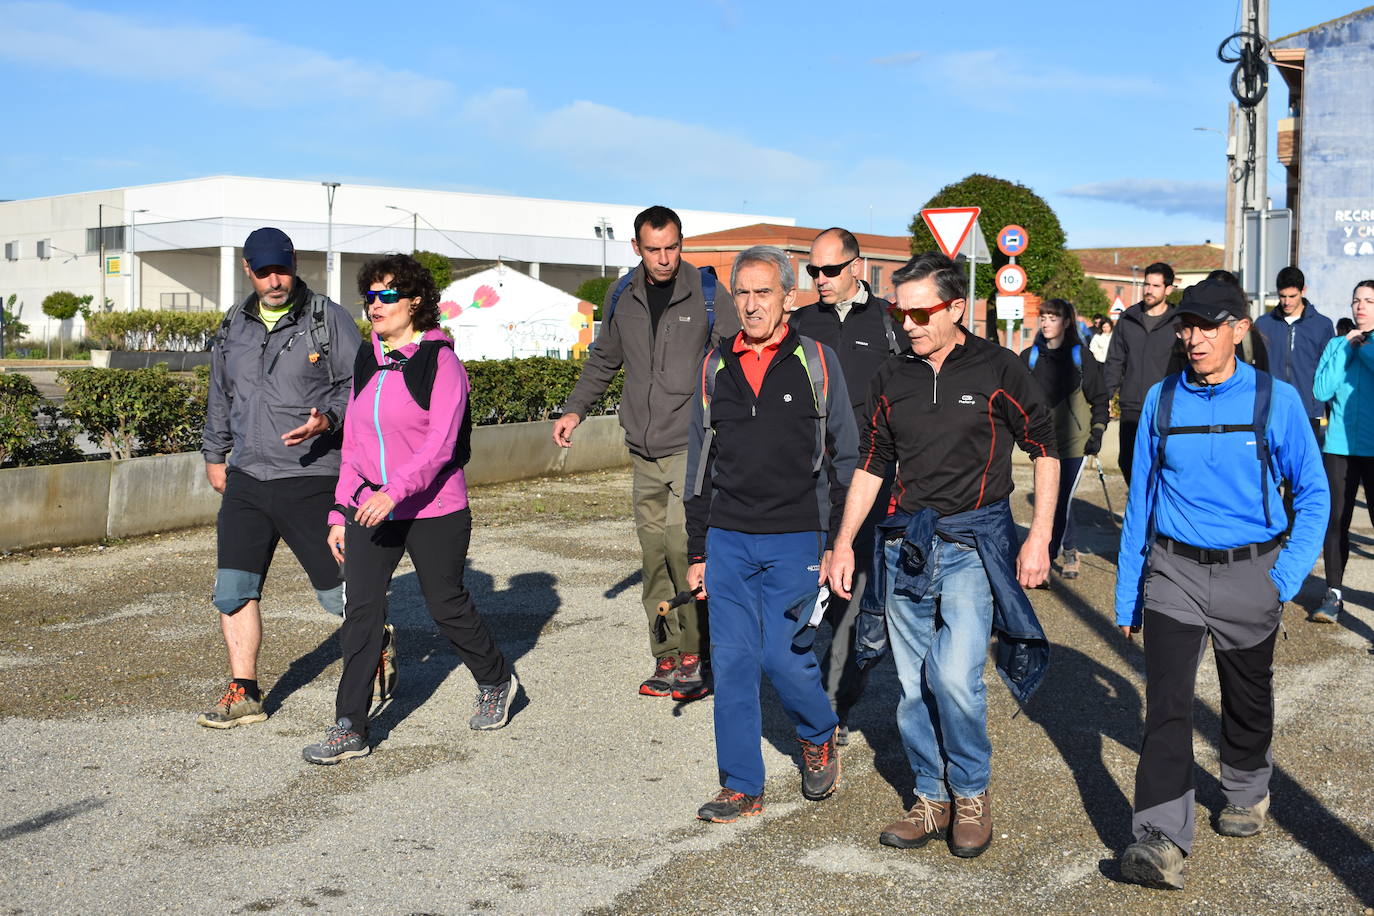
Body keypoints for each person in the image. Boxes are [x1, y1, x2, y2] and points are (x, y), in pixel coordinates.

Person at [828, 251, 1058, 859]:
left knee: (954, 677)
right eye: (902, 312)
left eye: (922, 312)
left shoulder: (999, 368)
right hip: (905, 547)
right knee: (910, 686)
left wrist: (1039, 536)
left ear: (956, 308)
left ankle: (972, 793)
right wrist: (845, 542)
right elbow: (873, 464)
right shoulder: (891, 376)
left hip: (974, 546)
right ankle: (930, 799)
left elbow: (1045, 445)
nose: (908, 324)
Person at [1113, 276, 1326, 891]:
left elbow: (1313, 494)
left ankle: (1245, 786)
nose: (1194, 337)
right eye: (1187, 325)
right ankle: (1158, 838)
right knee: (1168, 704)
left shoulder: (1275, 399)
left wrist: (1282, 579)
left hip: (1252, 572)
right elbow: (1141, 503)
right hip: (1173, 571)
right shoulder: (1163, 399)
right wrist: (1129, 594)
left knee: (1246, 694)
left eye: (1209, 326)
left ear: (1237, 329)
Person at [302, 255, 515, 764]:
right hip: (371, 506)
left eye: (386, 296)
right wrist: (339, 510)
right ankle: (350, 725)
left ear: (415, 301)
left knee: (445, 603)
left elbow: (439, 446)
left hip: (433, 505)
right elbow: (354, 440)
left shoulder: (441, 362)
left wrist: (394, 491)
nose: (374, 305)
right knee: (362, 611)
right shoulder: (367, 359)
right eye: (370, 296)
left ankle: (495, 678)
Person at [683, 245, 856, 823]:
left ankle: (817, 732)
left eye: (763, 293)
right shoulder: (714, 367)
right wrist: (698, 548)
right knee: (731, 663)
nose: (752, 305)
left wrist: (838, 541)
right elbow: (699, 464)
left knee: (785, 660)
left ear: (789, 297)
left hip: (796, 537)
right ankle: (741, 785)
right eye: (743, 294)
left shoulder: (819, 362)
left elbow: (845, 457)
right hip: (729, 537)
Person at [553, 206, 739, 700]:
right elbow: (604, 360)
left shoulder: (704, 292)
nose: (664, 258)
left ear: (682, 243)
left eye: (672, 247)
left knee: (684, 547)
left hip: (691, 444)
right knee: (653, 555)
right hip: (642, 448)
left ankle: (699, 655)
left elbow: (736, 358)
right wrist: (574, 410)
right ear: (636, 248)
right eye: (654, 249)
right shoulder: (622, 295)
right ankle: (666, 654)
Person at [198, 227, 362, 728]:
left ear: (295, 265)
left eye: (282, 269)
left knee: (339, 591)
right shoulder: (234, 324)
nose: (274, 280)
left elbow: (359, 382)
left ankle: (374, 641)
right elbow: (220, 393)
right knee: (233, 589)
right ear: (248, 269)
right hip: (247, 476)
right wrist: (214, 454)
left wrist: (327, 419)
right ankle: (244, 691)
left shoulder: (326, 318)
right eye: (264, 271)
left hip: (312, 475)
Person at [787, 227, 906, 744]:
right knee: (809, 585)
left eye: (829, 270)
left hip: (867, 480)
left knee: (852, 591)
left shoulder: (887, 324)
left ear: (857, 267)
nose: (819, 279)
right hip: (806, 481)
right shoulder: (801, 322)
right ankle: (817, 685)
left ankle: (837, 701)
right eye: (812, 270)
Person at [1021, 299, 1109, 579]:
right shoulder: (1029, 357)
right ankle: (1069, 547)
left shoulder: (1081, 357)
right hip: (1042, 444)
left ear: (1067, 322)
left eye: (1053, 317)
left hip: (1075, 443)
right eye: (1043, 317)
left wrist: (1097, 432)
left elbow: (1101, 398)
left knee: (1059, 502)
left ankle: (1045, 559)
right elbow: (1014, 400)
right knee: (1055, 502)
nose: (1046, 323)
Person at [1309, 279, 1374, 624]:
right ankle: (1333, 593)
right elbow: (1322, 388)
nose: (1360, 306)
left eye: (1368, 301)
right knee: (1336, 521)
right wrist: (1348, 347)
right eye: (1355, 301)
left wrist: (1364, 350)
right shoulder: (1337, 344)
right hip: (1338, 447)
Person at [1104, 262, 1181, 485]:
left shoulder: (1179, 321)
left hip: (1168, 406)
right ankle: (1140, 506)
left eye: (1156, 286)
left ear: (1168, 289)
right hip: (1132, 405)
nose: (1148, 290)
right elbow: (1115, 361)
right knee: (1127, 462)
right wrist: (1106, 396)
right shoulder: (1128, 318)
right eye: (1146, 284)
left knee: (1165, 463)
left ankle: (1159, 514)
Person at [1254, 266, 1335, 444]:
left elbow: (1329, 372)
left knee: (1304, 467)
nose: (1286, 302)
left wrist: (1330, 412)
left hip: (1308, 410)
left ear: (1303, 291)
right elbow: (1256, 368)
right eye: (1282, 296)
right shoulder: (1263, 324)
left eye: (1292, 296)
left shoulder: (1322, 325)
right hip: (1271, 408)